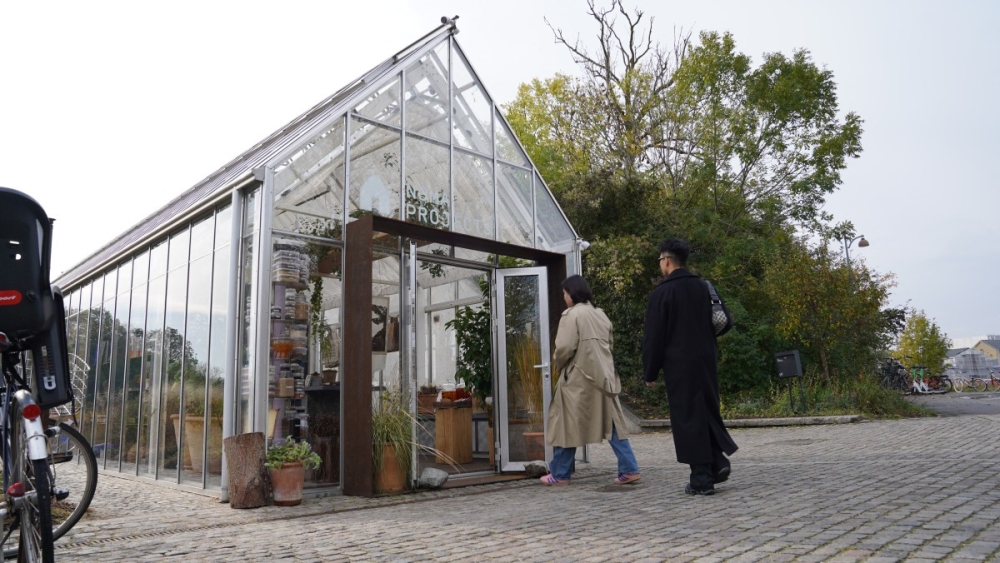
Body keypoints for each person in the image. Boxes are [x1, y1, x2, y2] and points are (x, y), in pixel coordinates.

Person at [642, 239, 738, 496]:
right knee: (706, 411)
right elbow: (722, 320)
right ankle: (718, 463)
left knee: (687, 419)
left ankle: (702, 479)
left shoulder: (662, 294)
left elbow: (654, 337)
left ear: (666, 260)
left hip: (679, 366)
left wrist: (650, 372)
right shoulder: (702, 287)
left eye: (660, 261)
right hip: (706, 361)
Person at [539, 275, 640, 486]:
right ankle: (629, 468)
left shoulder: (571, 315)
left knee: (565, 423)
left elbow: (564, 349)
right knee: (612, 423)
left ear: (572, 294)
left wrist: (559, 366)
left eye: (565, 294)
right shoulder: (600, 315)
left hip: (578, 379)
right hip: (604, 378)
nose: (564, 298)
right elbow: (609, 345)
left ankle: (560, 474)